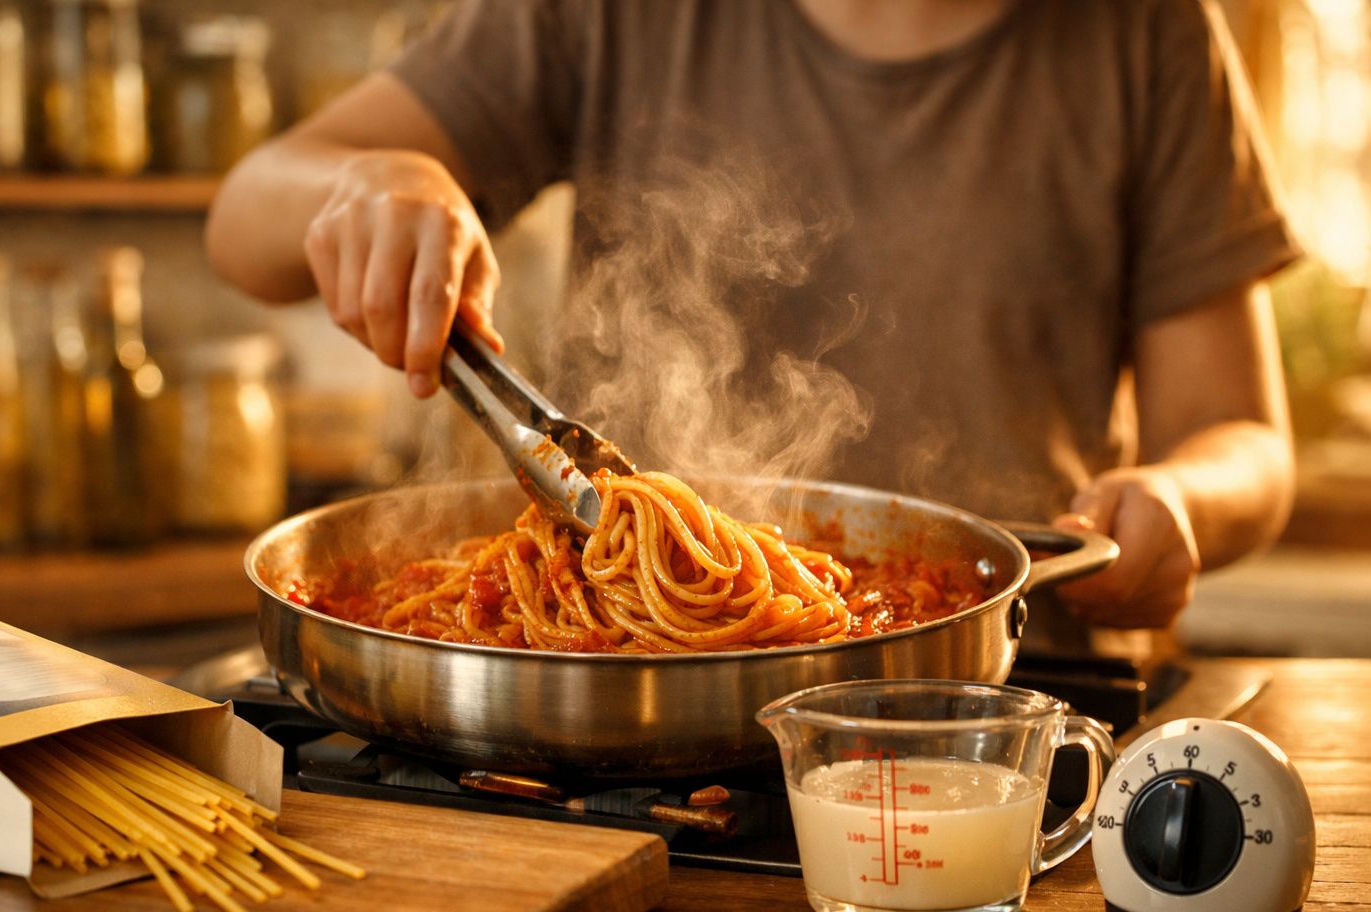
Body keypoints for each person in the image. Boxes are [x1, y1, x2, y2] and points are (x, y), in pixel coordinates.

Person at [206, 0, 1298, 636]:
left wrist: (1177, 498)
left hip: (1016, 692)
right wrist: (362, 187)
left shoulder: (1148, 27)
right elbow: (248, 218)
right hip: (630, 693)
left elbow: (1241, 435)